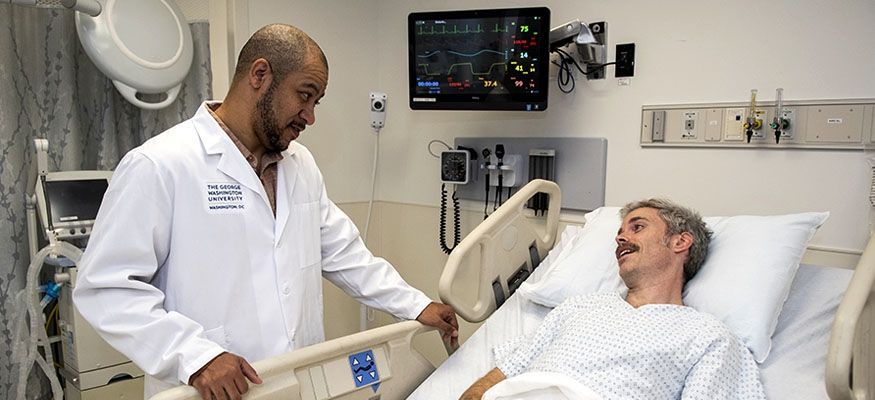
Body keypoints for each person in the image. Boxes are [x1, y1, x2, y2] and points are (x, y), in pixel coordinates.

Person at [73, 24, 458, 400]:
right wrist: (194, 356)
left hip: (297, 379)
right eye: (304, 96)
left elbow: (345, 255)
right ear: (260, 75)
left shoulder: (300, 165)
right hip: (211, 388)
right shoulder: (160, 165)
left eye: (316, 102)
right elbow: (107, 288)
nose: (310, 116)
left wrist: (415, 304)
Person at [460, 199, 766, 400]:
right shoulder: (579, 306)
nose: (620, 238)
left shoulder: (709, 337)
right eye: (619, 232)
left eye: (638, 227)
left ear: (680, 242)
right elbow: (503, 373)